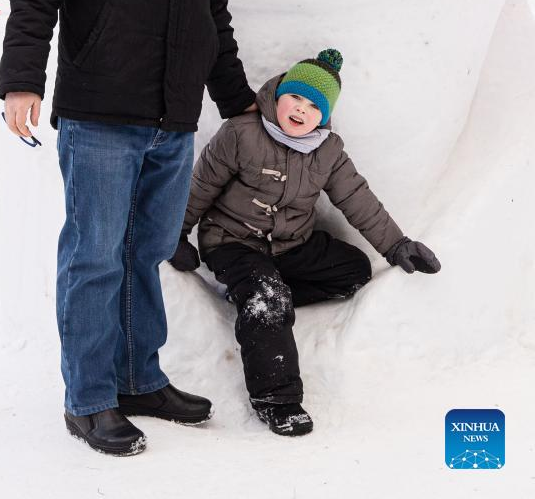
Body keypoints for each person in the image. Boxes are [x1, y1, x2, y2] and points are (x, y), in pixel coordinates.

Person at [0, 0, 256, 457]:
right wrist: (22, 78)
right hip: (102, 114)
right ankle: (88, 398)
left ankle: (139, 378)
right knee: (95, 257)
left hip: (171, 120)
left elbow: (212, 17)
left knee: (143, 255)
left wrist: (239, 107)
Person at [170, 48, 440, 437]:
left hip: (290, 245)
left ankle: (259, 298)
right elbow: (201, 184)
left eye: (314, 105)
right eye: (295, 97)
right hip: (234, 241)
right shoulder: (241, 133)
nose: (301, 109)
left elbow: (357, 198)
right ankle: (277, 399)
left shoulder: (327, 150)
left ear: (324, 116)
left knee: (352, 270)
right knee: (268, 298)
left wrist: (397, 246)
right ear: (277, 95)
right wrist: (176, 233)